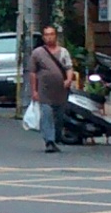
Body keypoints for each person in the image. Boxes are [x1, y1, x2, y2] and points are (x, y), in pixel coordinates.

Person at [28, 24, 76, 154]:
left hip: (60, 92)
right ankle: (49, 141)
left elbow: (69, 67)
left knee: (59, 117)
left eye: (52, 34)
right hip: (45, 92)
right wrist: (34, 91)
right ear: (44, 37)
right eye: (47, 35)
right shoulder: (37, 53)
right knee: (47, 114)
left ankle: (56, 137)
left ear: (56, 36)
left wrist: (68, 79)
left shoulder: (63, 52)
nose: (49, 37)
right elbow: (32, 73)